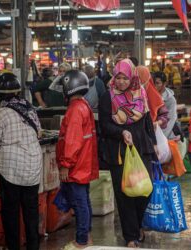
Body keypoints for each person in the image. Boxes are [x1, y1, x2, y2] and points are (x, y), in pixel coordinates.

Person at [98, 59, 157, 248]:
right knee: (125, 195)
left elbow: (147, 119)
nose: (122, 82)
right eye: (119, 77)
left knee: (145, 190)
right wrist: (121, 132)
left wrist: (153, 143)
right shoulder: (107, 97)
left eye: (125, 78)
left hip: (142, 148)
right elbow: (104, 126)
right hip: (119, 151)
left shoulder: (141, 93)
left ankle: (137, 224)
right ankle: (131, 236)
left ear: (132, 77)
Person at [0, 72, 42, 250]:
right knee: (31, 211)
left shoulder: (2, 113)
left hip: (10, 169)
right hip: (33, 167)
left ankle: (14, 247)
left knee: (11, 213)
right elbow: (39, 133)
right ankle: (33, 247)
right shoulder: (30, 108)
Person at [56, 70, 99, 249]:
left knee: (80, 203)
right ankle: (86, 236)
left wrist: (66, 164)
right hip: (84, 164)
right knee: (84, 201)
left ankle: (81, 240)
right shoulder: (84, 105)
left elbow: (72, 141)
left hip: (76, 166)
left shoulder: (75, 110)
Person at [136, 65, 169, 130]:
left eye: (142, 80)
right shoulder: (127, 94)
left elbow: (165, 116)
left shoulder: (155, 96)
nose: (139, 83)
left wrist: (157, 123)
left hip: (149, 132)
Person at [153, 71, 177, 139]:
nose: (155, 86)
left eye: (157, 83)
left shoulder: (170, 100)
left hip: (165, 135)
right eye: (153, 83)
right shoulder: (149, 95)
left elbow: (171, 119)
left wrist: (162, 137)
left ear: (165, 83)